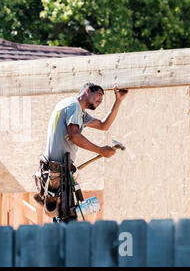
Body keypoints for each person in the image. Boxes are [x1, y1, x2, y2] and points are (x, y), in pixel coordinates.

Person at [34, 82, 128, 220]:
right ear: (87, 91)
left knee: (64, 218)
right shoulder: (74, 106)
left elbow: (104, 125)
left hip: (58, 171)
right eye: (99, 95)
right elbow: (74, 136)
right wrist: (101, 150)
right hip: (57, 172)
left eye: (102, 99)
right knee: (67, 219)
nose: (101, 100)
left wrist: (118, 101)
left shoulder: (79, 112)